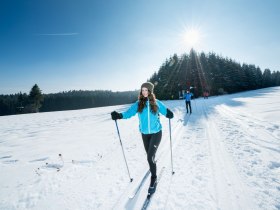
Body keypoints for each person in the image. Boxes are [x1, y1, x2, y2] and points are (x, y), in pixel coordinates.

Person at [111, 82, 174, 194]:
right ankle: (152, 163)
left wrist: (169, 113)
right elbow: (129, 113)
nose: (144, 92)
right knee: (150, 155)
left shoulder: (156, 103)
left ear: (150, 91)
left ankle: (153, 178)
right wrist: (119, 115)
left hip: (156, 133)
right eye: (142, 90)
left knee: (150, 158)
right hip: (144, 134)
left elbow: (165, 111)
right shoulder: (138, 104)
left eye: (146, 90)